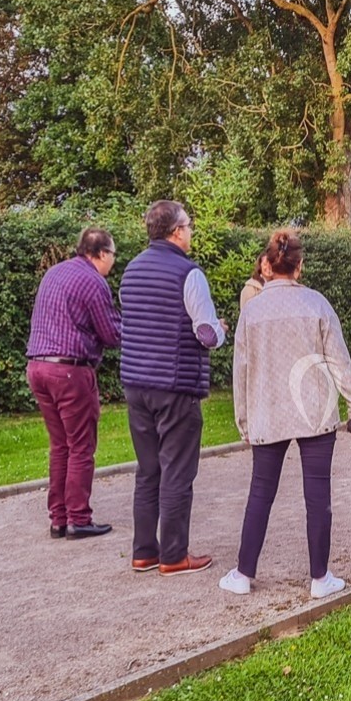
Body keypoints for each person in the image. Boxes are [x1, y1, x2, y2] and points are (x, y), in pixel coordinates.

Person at [220, 229, 351, 599]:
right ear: (299, 267)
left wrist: (243, 420)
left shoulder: (251, 311)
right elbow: (339, 360)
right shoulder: (316, 304)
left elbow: (241, 372)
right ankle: (320, 577)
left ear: (268, 266)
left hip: (267, 413)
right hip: (314, 411)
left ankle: (242, 573)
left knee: (260, 493)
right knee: (318, 495)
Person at [119, 201, 228, 576]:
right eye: (189, 226)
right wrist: (223, 331)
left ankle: (144, 551)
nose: (191, 231)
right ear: (176, 231)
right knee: (178, 470)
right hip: (175, 383)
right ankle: (175, 555)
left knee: (148, 469)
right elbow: (206, 333)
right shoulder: (189, 274)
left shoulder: (130, 270)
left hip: (136, 382)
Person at [25, 227, 122, 540]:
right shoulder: (94, 282)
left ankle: (59, 518)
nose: (113, 263)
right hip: (69, 371)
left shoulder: (55, 273)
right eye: (113, 255)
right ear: (101, 253)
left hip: (38, 366)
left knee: (60, 445)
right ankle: (79, 518)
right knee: (81, 445)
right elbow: (111, 335)